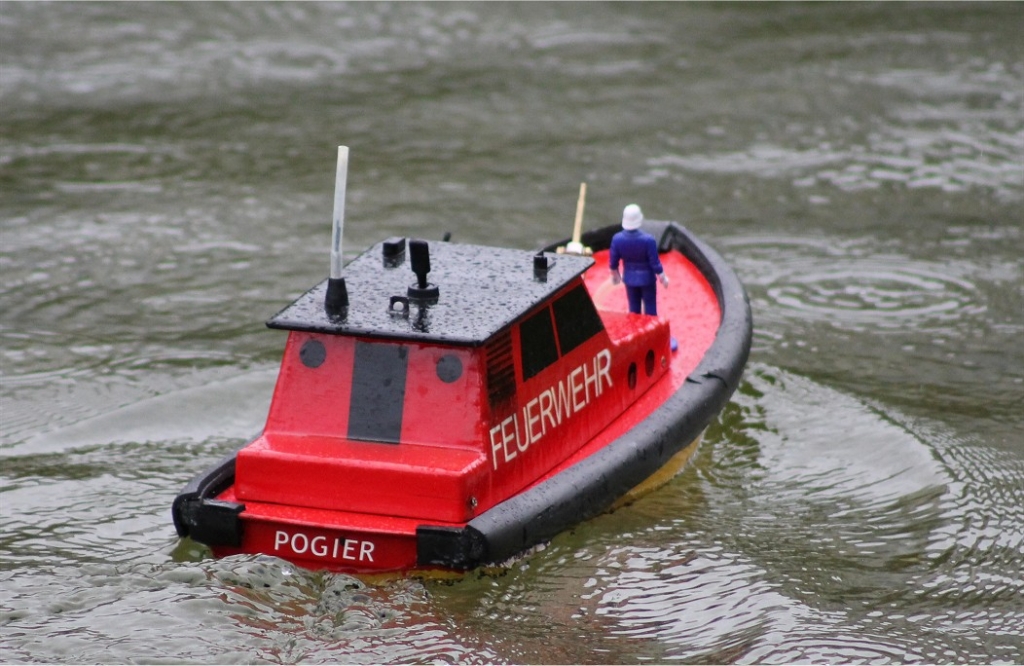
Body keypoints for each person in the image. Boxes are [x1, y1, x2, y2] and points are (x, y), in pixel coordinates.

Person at [609, 204, 669, 316]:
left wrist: (615, 275)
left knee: (633, 309)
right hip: (647, 279)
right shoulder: (648, 240)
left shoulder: (617, 239)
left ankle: (635, 326)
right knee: (650, 307)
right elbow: (655, 263)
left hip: (629, 279)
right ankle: (652, 327)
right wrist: (663, 277)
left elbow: (613, 263)